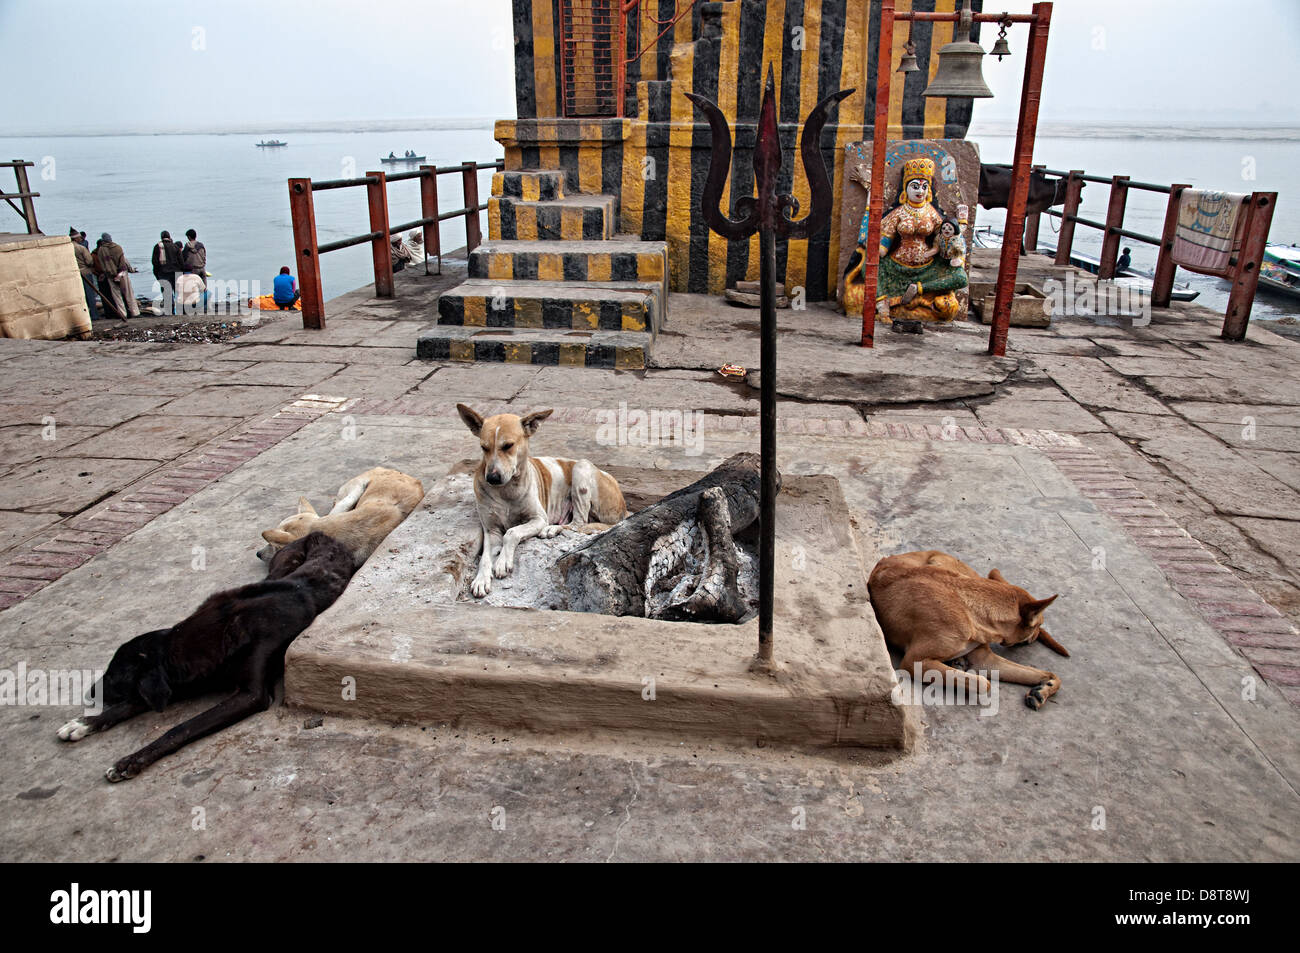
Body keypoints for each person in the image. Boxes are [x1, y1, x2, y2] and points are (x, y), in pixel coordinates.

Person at [93, 232, 139, 319]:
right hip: (122, 274)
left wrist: (107, 273)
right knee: (128, 294)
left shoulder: (101, 250)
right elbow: (123, 261)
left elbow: (103, 264)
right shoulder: (118, 247)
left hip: (111, 275)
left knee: (117, 296)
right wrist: (130, 270)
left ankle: (123, 313)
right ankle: (135, 312)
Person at [70, 228, 101, 321]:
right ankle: (94, 315)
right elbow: (89, 261)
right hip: (85, 272)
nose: (81, 239)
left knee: (80, 296)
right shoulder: (81, 248)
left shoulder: (67, 248)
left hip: (74, 274)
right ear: (76, 238)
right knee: (90, 295)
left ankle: (84, 315)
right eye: (79, 238)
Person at [152, 230, 183, 314]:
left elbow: (155, 263)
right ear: (169, 237)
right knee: (177, 292)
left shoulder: (157, 247)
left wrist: (157, 275)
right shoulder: (175, 247)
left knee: (167, 294)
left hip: (163, 273)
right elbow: (181, 261)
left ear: (161, 238)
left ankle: (170, 311)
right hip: (176, 273)